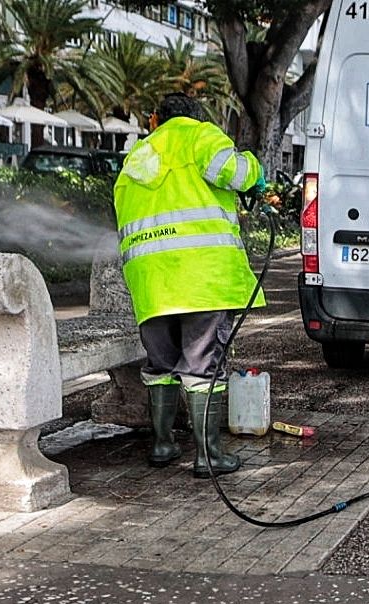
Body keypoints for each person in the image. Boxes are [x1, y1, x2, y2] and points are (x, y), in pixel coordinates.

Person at [113, 92, 265, 477]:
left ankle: (163, 445)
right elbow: (234, 173)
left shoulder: (136, 158)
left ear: (155, 121)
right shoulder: (200, 136)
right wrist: (255, 171)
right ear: (196, 117)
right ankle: (208, 455)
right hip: (201, 277)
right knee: (202, 367)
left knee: (160, 364)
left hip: (150, 281)